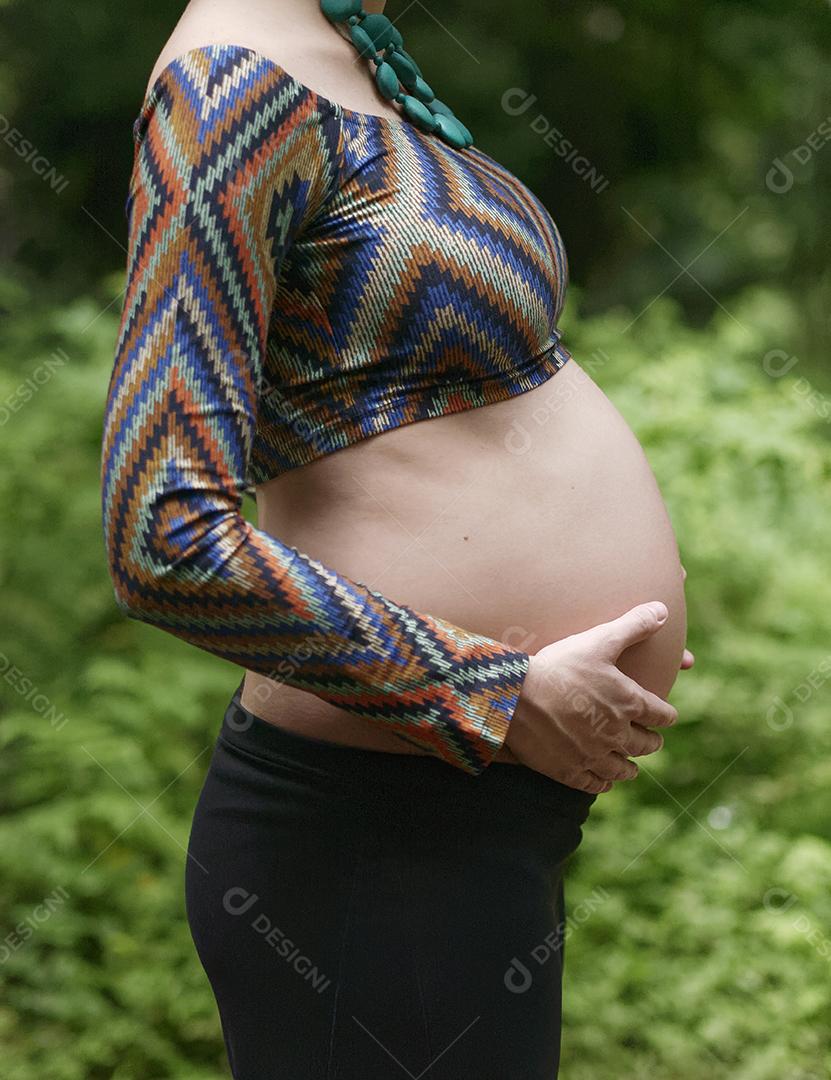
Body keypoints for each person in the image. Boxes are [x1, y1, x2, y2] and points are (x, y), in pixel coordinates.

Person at [100, 1, 694, 1075]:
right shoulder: (225, 87)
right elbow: (162, 531)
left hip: (462, 831)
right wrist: (491, 685)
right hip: (371, 844)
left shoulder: (354, 52)